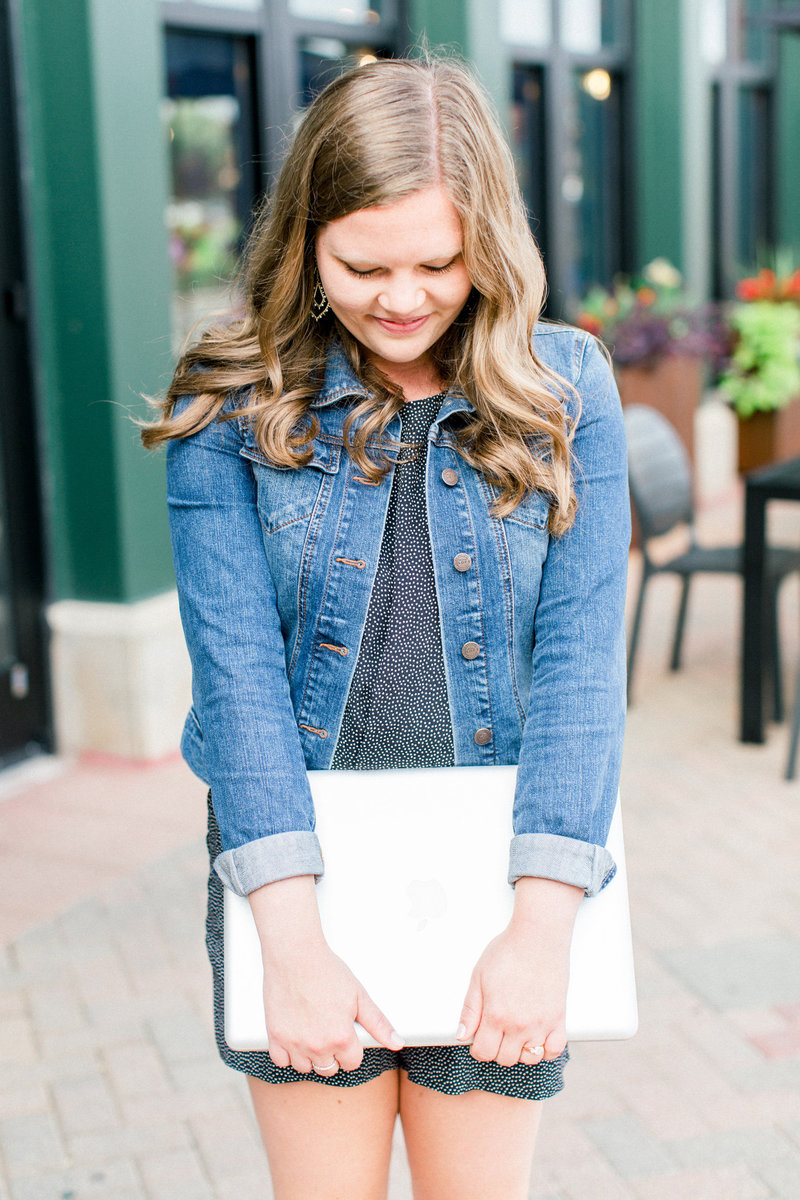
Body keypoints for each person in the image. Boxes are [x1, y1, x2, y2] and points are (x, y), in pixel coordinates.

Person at [143, 54, 629, 1200]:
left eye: (438, 262)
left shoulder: (564, 389)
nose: (401, 298)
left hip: (497, 892)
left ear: (492, 245)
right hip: (301, 892)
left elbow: (576, 667)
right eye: (361, 265)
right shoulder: (228, 400)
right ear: (304, 240)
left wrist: (541, 928)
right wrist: (291, 948)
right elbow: (239, 683)